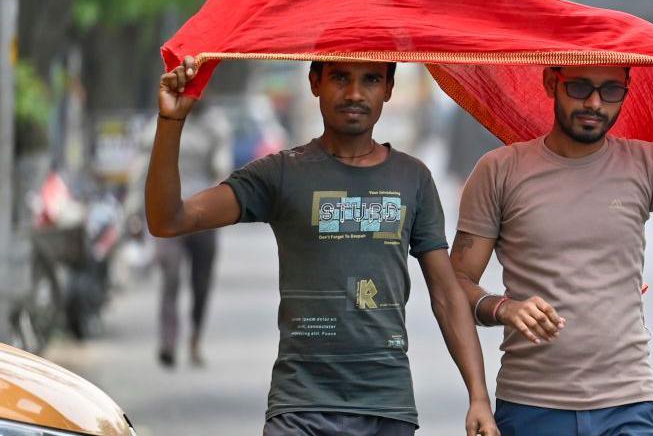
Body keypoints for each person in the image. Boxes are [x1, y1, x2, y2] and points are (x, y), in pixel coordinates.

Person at [146, 56, 499, 436]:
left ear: (388, 89)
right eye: (340, 78)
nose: (354, 93)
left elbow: (446, 294)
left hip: (385, 408)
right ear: (315, 82)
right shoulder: (280, 174)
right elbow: (169, 220)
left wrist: (478, 396)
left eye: (370, 80)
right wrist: (171, 122)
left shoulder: (413, 178)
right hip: (299, 410)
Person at [451, 65, 653, 436]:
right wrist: (503, 309)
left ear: (627, 92)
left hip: (627, 405)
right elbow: (454, 287)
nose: (594, 103)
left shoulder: (646, 164)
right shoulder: (499, 171)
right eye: (579, 87)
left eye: (611, 91)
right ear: (550, 83)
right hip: (532, 405)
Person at [147, 101, 231, 368]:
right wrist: (134, 214)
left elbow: (222, 162)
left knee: (201, 282)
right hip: (169, 214)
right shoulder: (162, 121)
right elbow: (144, 166)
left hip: (203, 215)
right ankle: (168, 342)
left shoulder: (215, 125)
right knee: (170, 276)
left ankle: (195, 337)